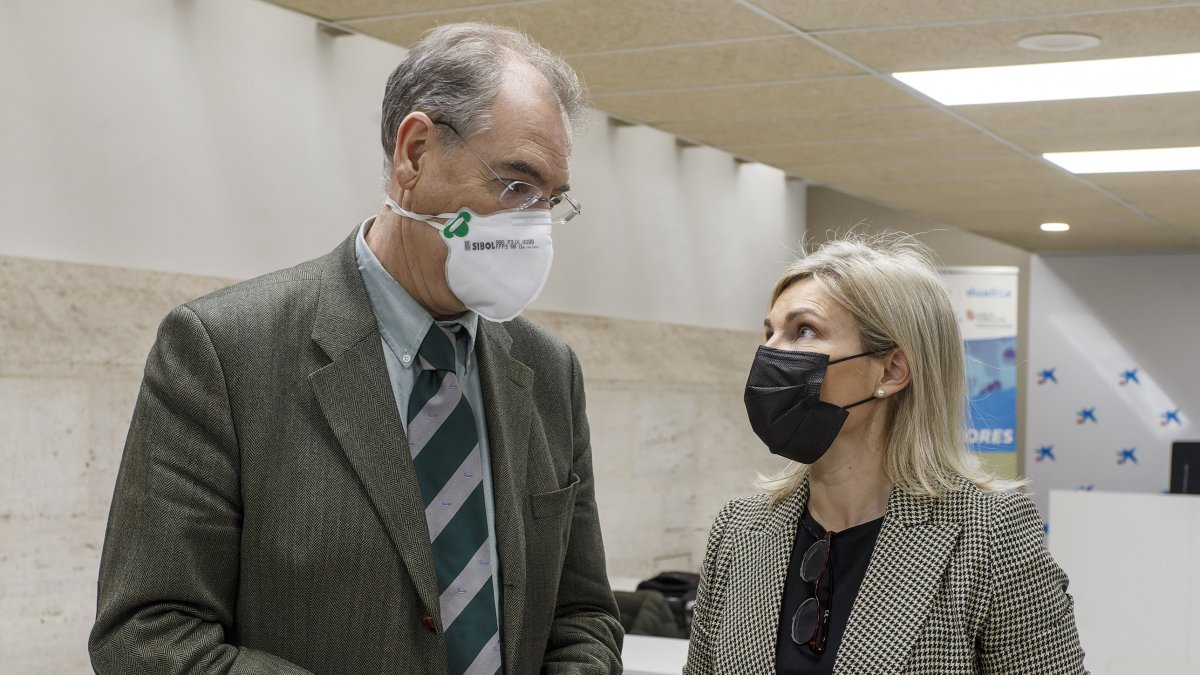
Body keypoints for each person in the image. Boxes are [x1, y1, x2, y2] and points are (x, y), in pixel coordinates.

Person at [89, 23, 622, 675]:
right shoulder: (225, 353)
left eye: (550, 201)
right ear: (415, 151)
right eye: (515, 185)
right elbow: (146, 633)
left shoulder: (548, 372)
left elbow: (583, 616)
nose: (533, 227)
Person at [683, 234, 1086, 674]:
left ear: (892, 370)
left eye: (804, 331)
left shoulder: (989, 534)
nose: (770, 353)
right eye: (769, 332)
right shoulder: (739, 529)